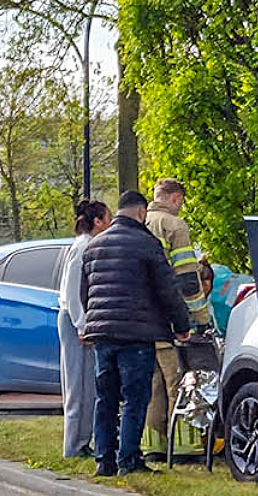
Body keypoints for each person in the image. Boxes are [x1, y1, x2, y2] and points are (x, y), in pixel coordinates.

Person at [81, 189, 192, 476]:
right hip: (136, 335)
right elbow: (167, 290)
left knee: (105, 399)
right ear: (142, 213)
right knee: (135, 398)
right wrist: (182, 326)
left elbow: (86, 294)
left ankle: (103, 459)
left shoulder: (95, 246)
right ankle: (128, 461)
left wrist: (97, 323)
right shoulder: (146, 244)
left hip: (103, 335)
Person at [143, 178, 213, 458]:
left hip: (144, 320)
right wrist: (200, 317)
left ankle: (152, 446)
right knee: (180, 382)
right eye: (180, 201)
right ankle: (181, 446)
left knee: (153, 384)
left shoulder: (140, 222)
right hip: (171, 320)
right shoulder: (175, 226)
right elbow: (187, 279)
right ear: (174, 199)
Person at [57, 198, 110, 458]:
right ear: (97, 221)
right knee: (77, 386)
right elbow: (73, 291)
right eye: (106, 218)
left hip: (81, 320)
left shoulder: (87, 245)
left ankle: (81, 442)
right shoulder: (83, 248)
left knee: (88, 386)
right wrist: (82, 324)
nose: (110, 222)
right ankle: (73, 446)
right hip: (74, 320)